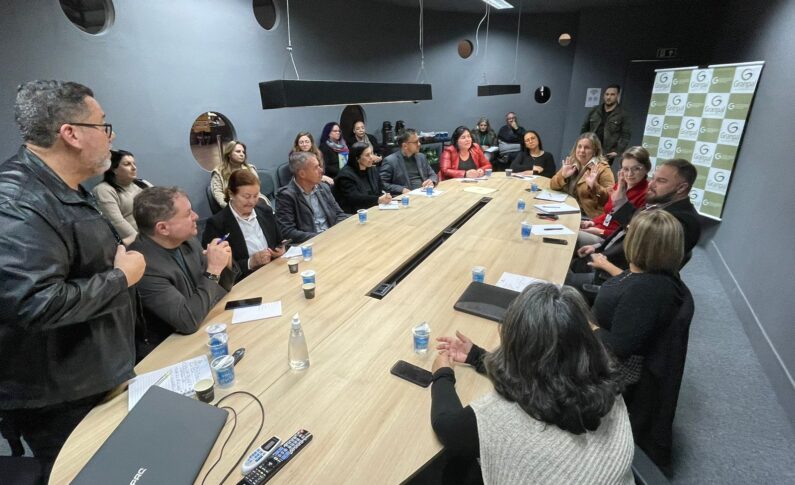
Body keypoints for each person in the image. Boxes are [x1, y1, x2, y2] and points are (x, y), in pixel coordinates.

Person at [0, 80, 146, 479]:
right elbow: (36, 303)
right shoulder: (15, 201)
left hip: (98, 374)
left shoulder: (65, 189)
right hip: (62, 399)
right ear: (71, 134)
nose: (111, 138)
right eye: (103, 126)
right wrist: (121, 277)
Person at [431, 283, 634, 484]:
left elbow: (447, 427)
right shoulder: (606, 380)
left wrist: (442, 373)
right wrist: (477, 356)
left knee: (454, 469)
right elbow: (543, 375)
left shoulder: (500, 419)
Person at [590, 210, 694, 475]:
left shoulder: (646, 292)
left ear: (639, 243)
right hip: (608, 342)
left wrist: (585, 327)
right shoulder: (654, 276)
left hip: (610, 367)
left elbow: (619, 348)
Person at [130, 187, 238, 356]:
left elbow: (221, 289)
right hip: (172, 352)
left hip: (206, 328)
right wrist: (214, 269)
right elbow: (187, 321)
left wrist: (225, 263)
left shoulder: (187, 241)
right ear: (163, 228)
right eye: (187, 214)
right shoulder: (142, 265)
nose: (196, 216)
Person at [568, 158, 701, 289]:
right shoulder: (659, 204)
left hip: (614, 278)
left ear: (681, 188)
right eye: (653, 178)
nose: (651, 184)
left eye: (661, 181)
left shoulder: (683, 222)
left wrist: (603, 263)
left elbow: (645, 270)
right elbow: (626, 230)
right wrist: (599, 246)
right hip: (603, 258)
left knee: (559, 279)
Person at [202, 170, 285, 282]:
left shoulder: (265, 211)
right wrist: (250, 262)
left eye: (255, 196)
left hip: (274, 271)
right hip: (245, 280)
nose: (252, 201)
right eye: (246, 196)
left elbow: (279, 242)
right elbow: (218, 268)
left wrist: (280, 251)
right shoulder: (217, 224)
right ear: (231, 194)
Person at [578, 146, 650, 247]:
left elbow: (628, 232)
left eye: (636, 169)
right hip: (599, 229)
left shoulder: (646, 195)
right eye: (626, 169)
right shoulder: (620, 185)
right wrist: (593, 222)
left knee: (571, 237)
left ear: (647, 169)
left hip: (610, 240)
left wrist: (599, 231)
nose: (630, 174)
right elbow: (609, 213)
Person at [275, 151, 348, 244]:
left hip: (333, 238)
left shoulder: (323, 187)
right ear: (302, 174)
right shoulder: (286, 196)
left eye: (319, 166)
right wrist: (321, 237)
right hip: (311, 245)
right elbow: (287, 231)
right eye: (316, 168)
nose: (321, 170)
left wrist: (336, 233)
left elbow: (339, 214)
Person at [92, 149, 152, 245]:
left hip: (156, 236)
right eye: (127, 164)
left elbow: (162, 208)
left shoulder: (143, 184)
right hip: (133, 243)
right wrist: (141, 242)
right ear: (114, 169)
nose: (134, 168)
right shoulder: (104, 190)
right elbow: (116, 221)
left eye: (134, 164)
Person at [549, 132, 614, 218]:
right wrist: (563, 176)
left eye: (587, 148)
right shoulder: (571, 162)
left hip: (587, 216)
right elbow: (552, 185)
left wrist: (595, 187)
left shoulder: (603, 169)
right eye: (579, 146)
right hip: (565, 208)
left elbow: (611, 199)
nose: (582, 150)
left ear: (595, 151)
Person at [581, 84, 631, 169]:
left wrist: (618, 151)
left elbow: (626, 135)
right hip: (590, 148)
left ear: (618, 96)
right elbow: (584, 128)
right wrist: (582, 144)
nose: (608, 97)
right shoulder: (595, 110)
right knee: (583, 171)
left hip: (606, 153)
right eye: (607, 94)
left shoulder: (623, 114)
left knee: (598, 173)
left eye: (612, 94)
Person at [334, 142, 393, 213]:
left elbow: (381, 188)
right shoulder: (345, 176)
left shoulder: (372, 169)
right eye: (367, 155)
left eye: (371, 153)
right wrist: (378, 199)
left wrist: (386, 195)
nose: (371, 157)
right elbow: (354, 198)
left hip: (374, 209)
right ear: (357, 158)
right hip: (355, 213)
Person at [379, 129, 437, 194]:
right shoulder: (390, 161)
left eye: (419, 141)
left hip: (425, 193)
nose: (419, 144)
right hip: (406, 197)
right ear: (405, 146)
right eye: (416, 142)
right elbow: (382, 184)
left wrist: (431, 181)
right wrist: (401, 189)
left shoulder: (421, 157)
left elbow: (432, 174)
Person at [210, 140, 262, 210]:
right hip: (231, 206)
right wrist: (232, 208)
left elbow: (257, 189)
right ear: (229, 154)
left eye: (243, 152)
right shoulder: (219, 172)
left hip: (253, 203)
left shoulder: (250, 169)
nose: (242, 154)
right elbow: (218, 194)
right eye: (238, 151)